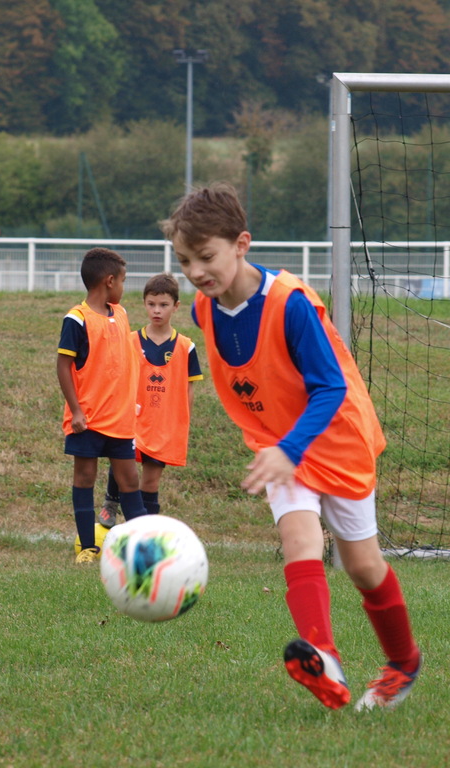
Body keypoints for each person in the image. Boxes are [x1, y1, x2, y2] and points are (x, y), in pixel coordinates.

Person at [163, 182, 421, 712]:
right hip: (279, 444)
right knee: (299, 538)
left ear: (242, 244)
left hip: (335, 437)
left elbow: (331, 387)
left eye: (206, 257)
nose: (196, 272)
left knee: (363, 566)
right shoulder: (204, 310)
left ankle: (403, 662)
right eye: (185, 261)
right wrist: (282, 449)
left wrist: (291, 448)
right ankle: (323, 658)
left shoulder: (290, 304)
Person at [56, 247, 147, 564]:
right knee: (85, 477)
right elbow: (63, 366)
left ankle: (143, 549)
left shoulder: (120, 314)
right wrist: (76, 411)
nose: (124, 287)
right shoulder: (77, 319)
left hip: (120, 419)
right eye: (123, 281)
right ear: (109, 281)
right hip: (89, 419)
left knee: (129, 480)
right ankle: (87, 548)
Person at [98, 272, 204, 526]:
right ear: (144, 304)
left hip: (163, 425)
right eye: (151, 304)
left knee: (151, 481)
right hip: (132, 420)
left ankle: (146, 528)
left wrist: (182, 423)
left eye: (164, 305)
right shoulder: (131, 341)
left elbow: (188, 388)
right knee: (123, 466)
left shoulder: (186, 347)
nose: (157, 310)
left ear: (176, 306)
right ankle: (111, 503)